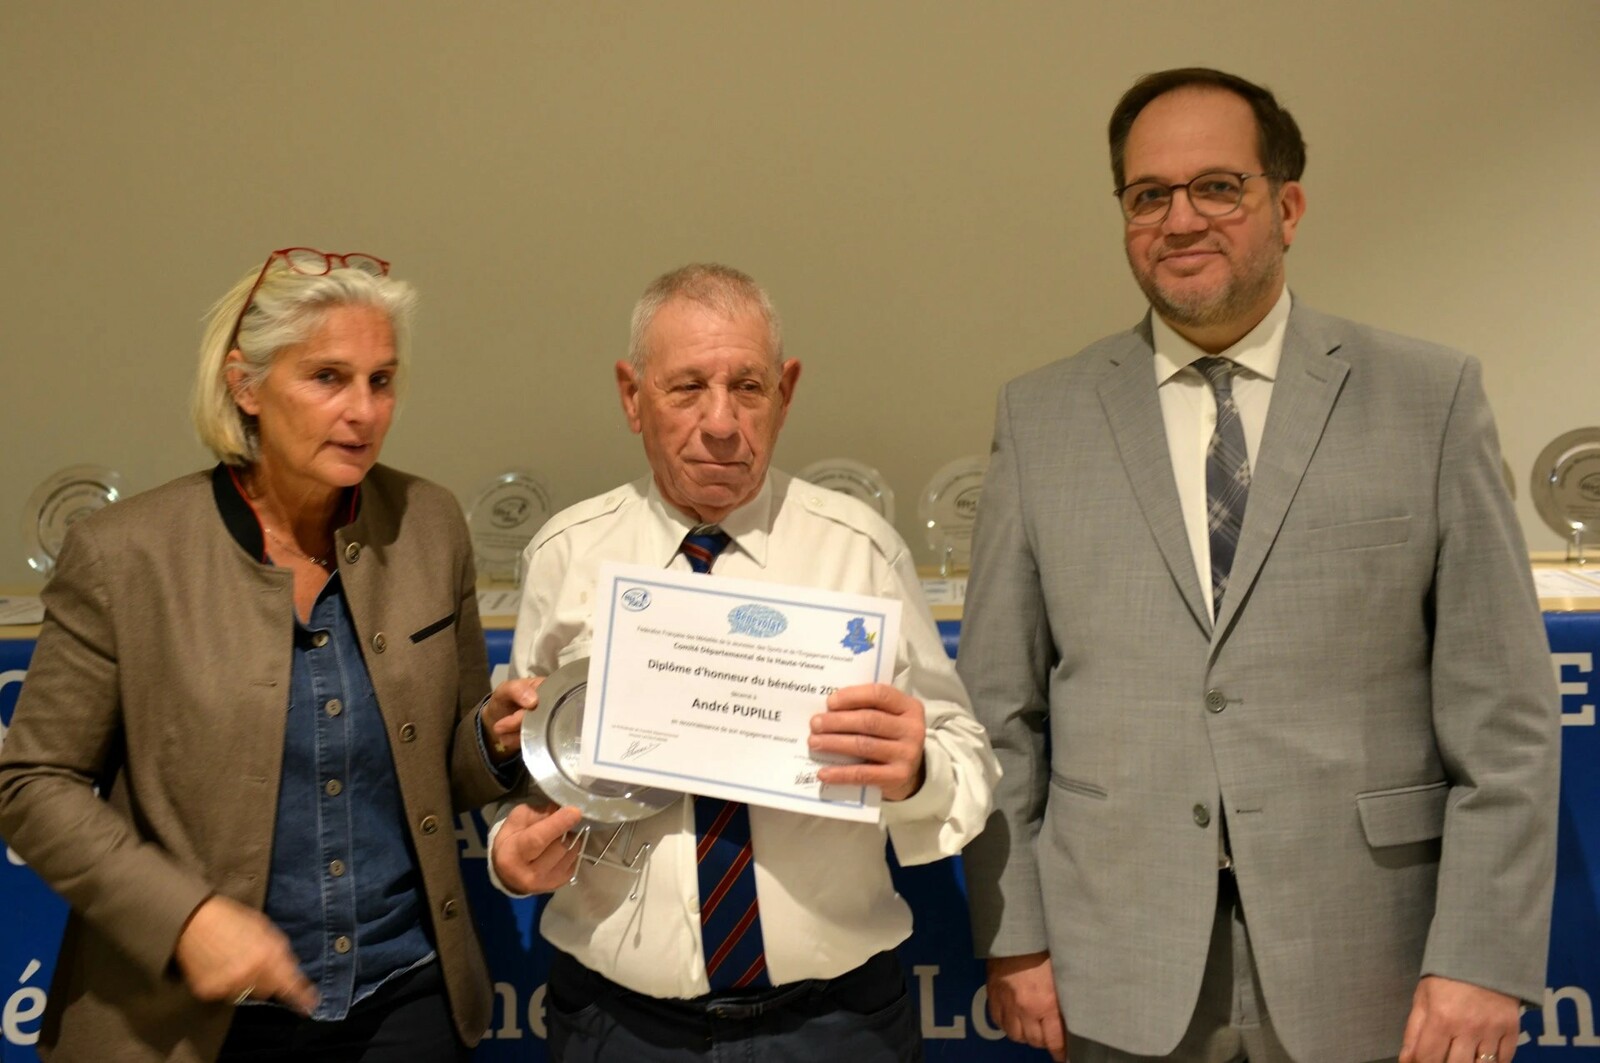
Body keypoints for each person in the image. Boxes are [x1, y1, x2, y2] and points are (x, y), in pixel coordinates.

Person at [958, 69, 1561, 1063]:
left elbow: (1505, 716)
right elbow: (999, 715)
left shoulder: (1428, 398)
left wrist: (1482, 955)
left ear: (1287, 206)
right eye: (1148, 195)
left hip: (1372, 961)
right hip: (1116, 962)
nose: (1179, 219)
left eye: (1217, 187)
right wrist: (1013, 931)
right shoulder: (1040, 417)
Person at [0, 248, 537, 1062]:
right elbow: (33, 783)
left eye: (381, 380)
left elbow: (448, 768)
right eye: (328, 377)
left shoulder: (427, 523)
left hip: (404, 999)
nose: (363, 410)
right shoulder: (124, 554)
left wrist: (491, 739)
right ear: (245, 385)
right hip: (193, 1022)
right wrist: (185, 918)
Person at [486, 262, 999, 1061]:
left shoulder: (860, 551)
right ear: (632, 395)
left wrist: (917, 771)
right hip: (619, 1028)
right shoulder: (568, 555)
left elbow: (967, 761)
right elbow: (530, 771)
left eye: (748, 387)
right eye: (688, 387)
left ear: (785, 393)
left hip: (835, 1028)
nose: (722, 422)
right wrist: (509, 853)